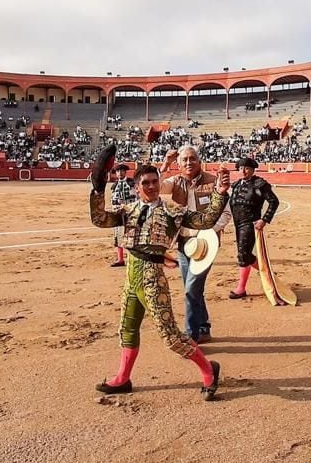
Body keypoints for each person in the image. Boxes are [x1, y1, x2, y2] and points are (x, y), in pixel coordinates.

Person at [89, 152, 229, 400]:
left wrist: (219, 193)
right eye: (146, 183)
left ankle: (209, 371)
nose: (152, 186)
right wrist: (98, 189)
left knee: (170, 335)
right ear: (136, 187)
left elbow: (205, 219)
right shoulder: (127, 210)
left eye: (155, 181)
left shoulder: (173, 211)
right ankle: (122, 378)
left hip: (153, 277)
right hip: (132, 276)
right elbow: (99, 219)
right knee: (127, 329)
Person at [159, 146, 231, 343]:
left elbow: (225, 213)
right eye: (184, 160)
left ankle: (191, 334)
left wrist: (206, 231)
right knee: (193, 288)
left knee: (191, 289)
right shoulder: (175, 181)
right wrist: (166, 164)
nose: (189, 163)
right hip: (183, 243)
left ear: (199, 161)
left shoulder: (212, 181)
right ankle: (204, 326)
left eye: (193, 159)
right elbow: (153, 187)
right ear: (179, 164)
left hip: (206, 244)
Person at [227, 157, 280, 299]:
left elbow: (274, 202)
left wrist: (264, 219)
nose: (243, 171)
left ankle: (241, 288)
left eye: (247, 168)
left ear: (252, 169)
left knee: (243, 255)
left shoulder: (259, 184)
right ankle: (267, 271)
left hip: (250, 224)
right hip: (238, 224)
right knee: (245, 254)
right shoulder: (236, 185)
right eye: (241, 168)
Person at [108, 163, 136, 267]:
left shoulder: (131, 183)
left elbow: (135, 197)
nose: (120, 173)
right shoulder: (114, 185)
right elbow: (113, 200)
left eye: (122, 171)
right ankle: (120, 259)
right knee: (118, 236)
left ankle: (131, 259)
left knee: (131, 235)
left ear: (125, 172)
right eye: (118, 171)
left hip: (129, 212)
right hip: (118, 213)